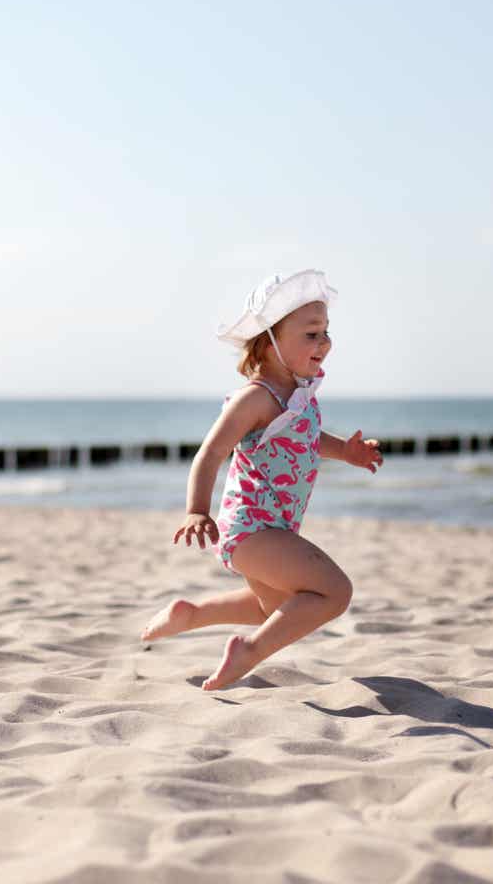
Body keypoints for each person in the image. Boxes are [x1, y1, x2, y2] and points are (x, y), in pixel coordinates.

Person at [141, 269, 384, 690]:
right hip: (252, 529)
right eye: (311, 333)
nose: (324, 342)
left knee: (277, 607)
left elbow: (305, 439)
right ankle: (247, 653)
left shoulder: (298, 395)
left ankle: (191, 613)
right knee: (335, 592)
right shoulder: (256, 398)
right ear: (269, 340)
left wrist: (345, 451)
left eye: (326, 331)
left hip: (272, 527)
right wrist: (196, 510)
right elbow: (211, 453)